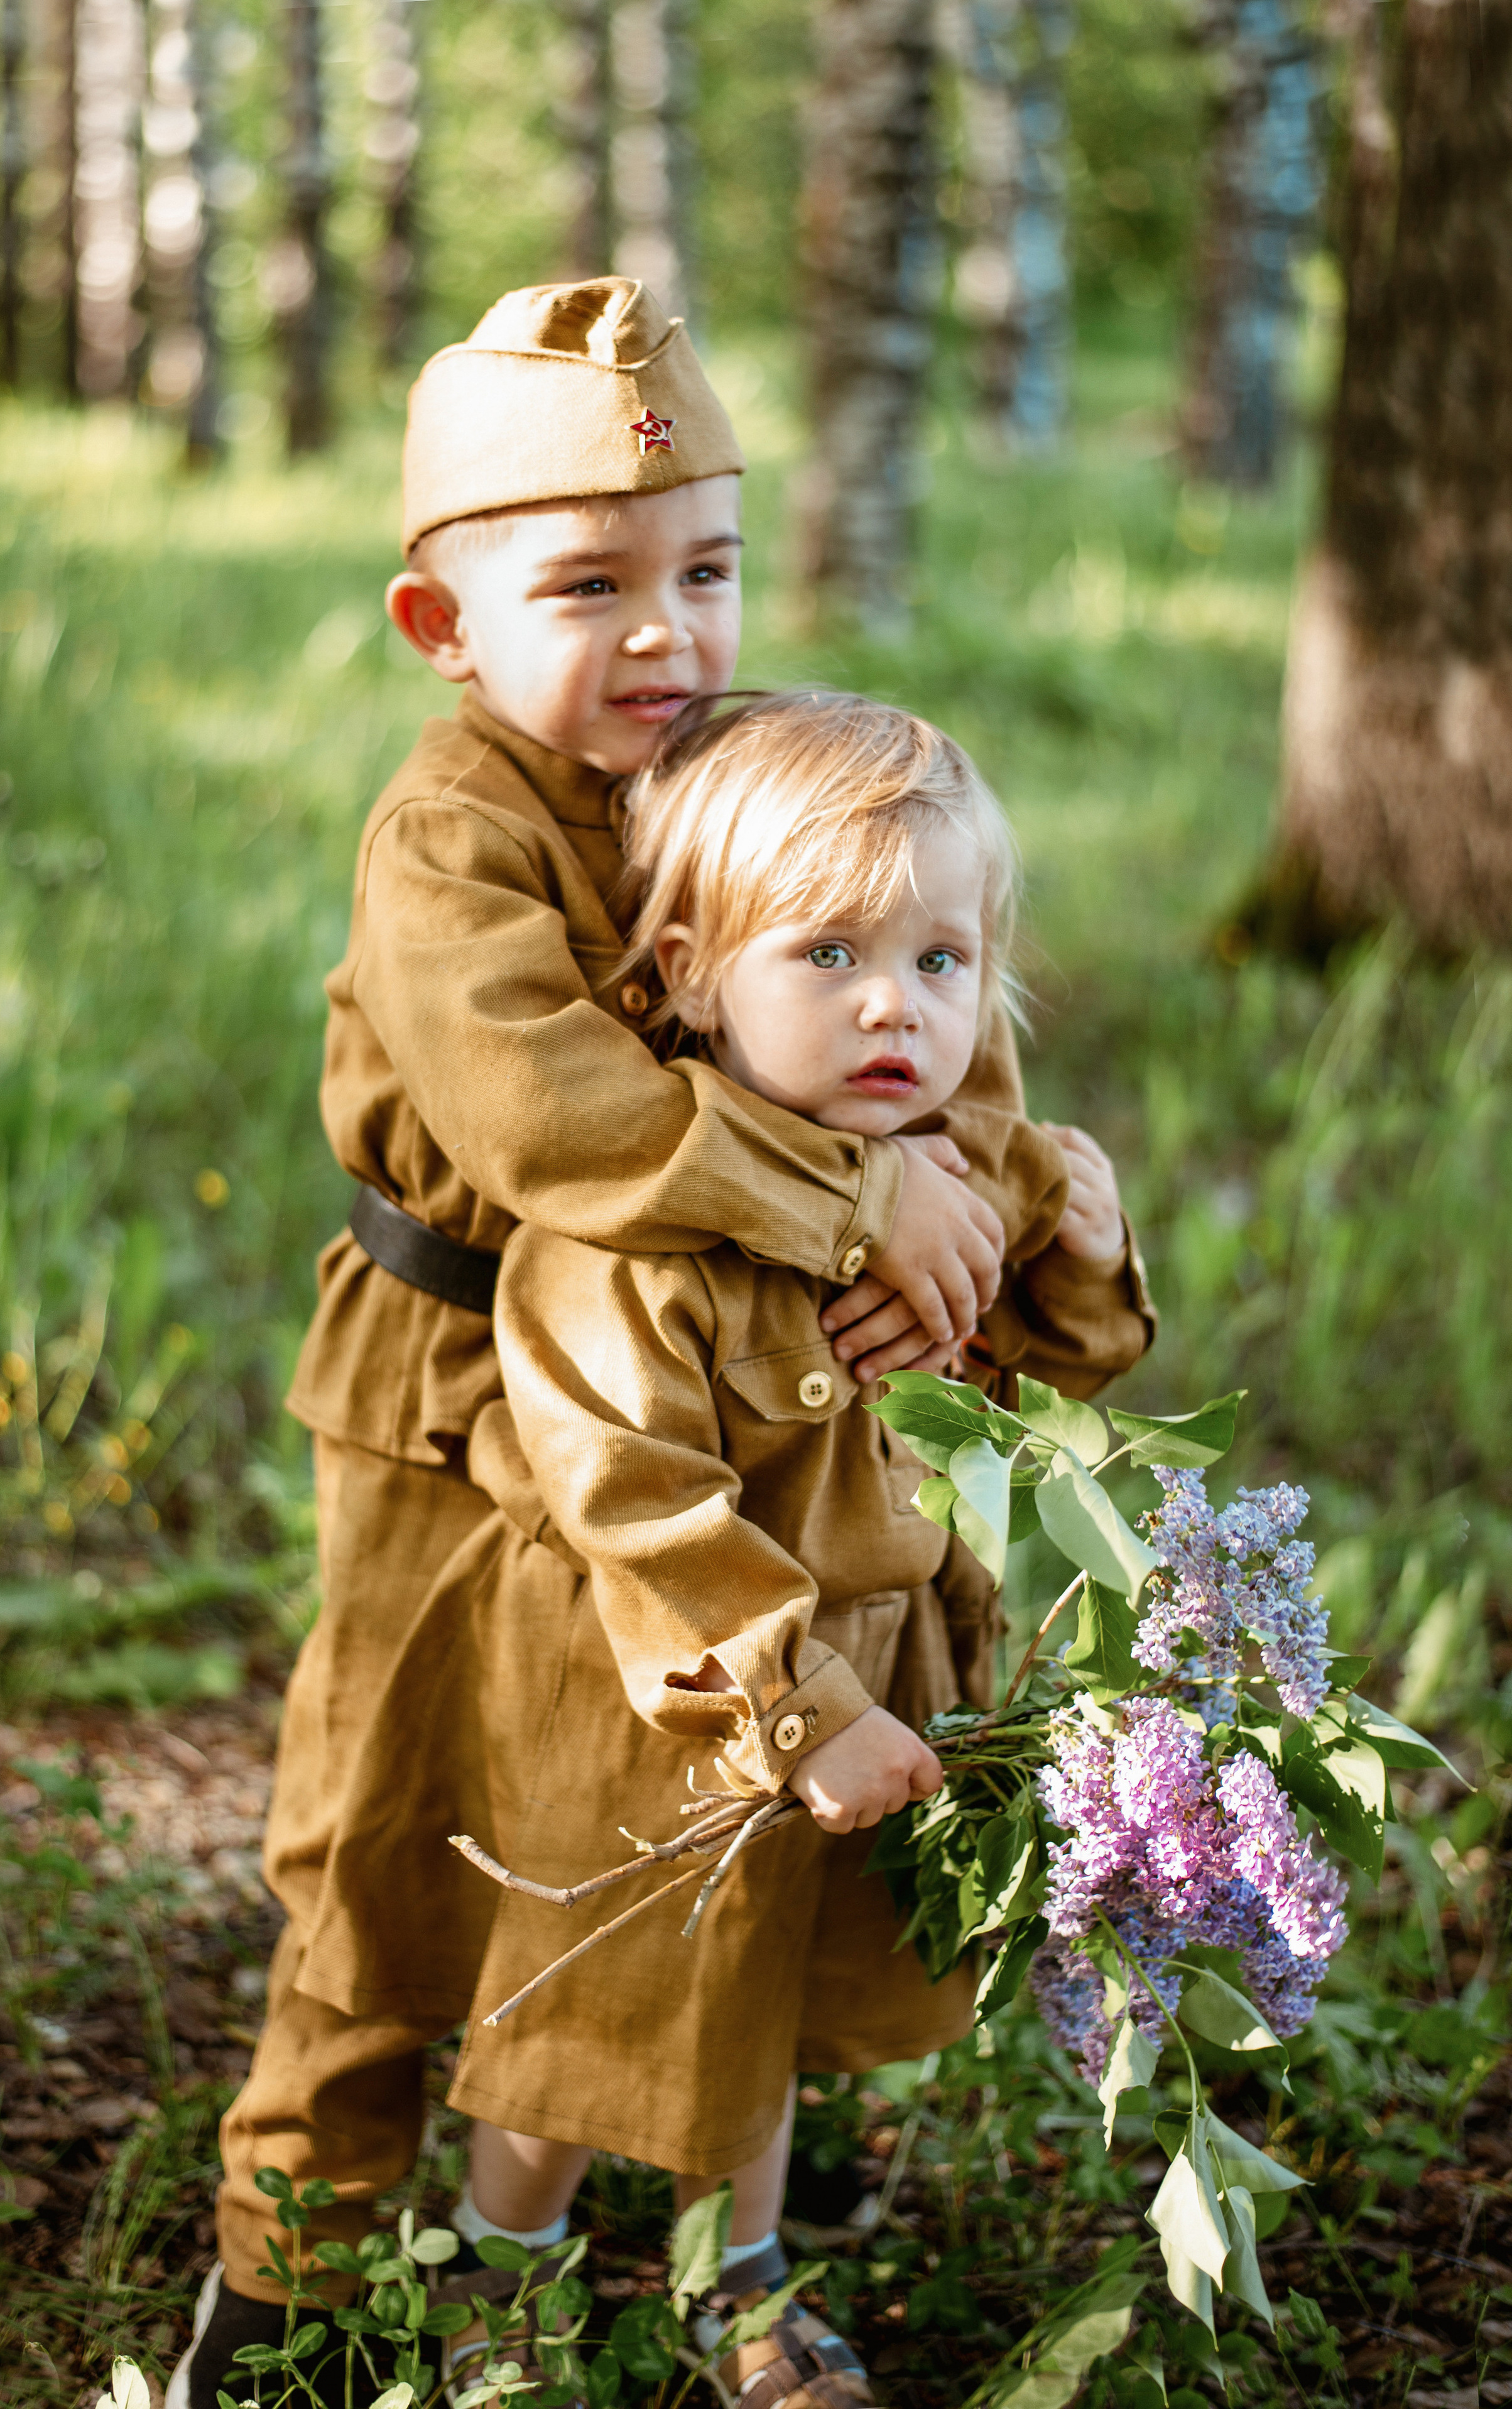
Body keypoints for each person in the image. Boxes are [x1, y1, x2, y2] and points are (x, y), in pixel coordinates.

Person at [170, 276, 1151, 2409]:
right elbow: (553, 1114)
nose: (664, 636)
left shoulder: (733, 761)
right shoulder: (456, 833)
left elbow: (909, 958)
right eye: (591, 585)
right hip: (451, 1407)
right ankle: (301, 2269)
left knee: (650, 1799)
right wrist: (848, 1196)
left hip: (715, 1395)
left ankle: (718, 2197)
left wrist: (978, 1188)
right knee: (388, 1834)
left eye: (702, 572)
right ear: (449, 629)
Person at [422, 690, 1153, 2408]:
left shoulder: (960, 1164)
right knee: (597, 2006)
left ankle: (733, 2281)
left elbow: (1057, 1361)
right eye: (825, 951)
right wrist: (795, 1706)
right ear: (689, 968)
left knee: (753, 2003)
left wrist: (1092, 1257)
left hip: (870, 1675)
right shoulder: (637, 1240)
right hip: (659, 1709)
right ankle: (493, 2265)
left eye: (943, 959)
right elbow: (638, 1504)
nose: (896, 1002)